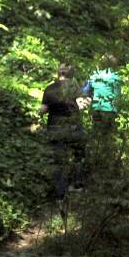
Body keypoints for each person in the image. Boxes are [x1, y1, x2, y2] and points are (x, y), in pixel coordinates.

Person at [41, 63, 88, 202]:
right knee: (78, 155)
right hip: (74, 127)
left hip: (56, 129)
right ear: (72, 75)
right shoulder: (76, 88)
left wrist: (52, 107)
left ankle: (60, 194)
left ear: (58, 73)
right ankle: (77, 186)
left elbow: (42, 110)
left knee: (59, 160)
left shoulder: (50, 88)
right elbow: (82, 105)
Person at [81, 55, 122, 175]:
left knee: (96, 134)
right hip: (110, 110)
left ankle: (94, 160)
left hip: (97, 109)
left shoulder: (94, 76)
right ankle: (106, 163)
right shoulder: (115, 77)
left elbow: (86, 92)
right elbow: (118, 97)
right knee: (108, 136)